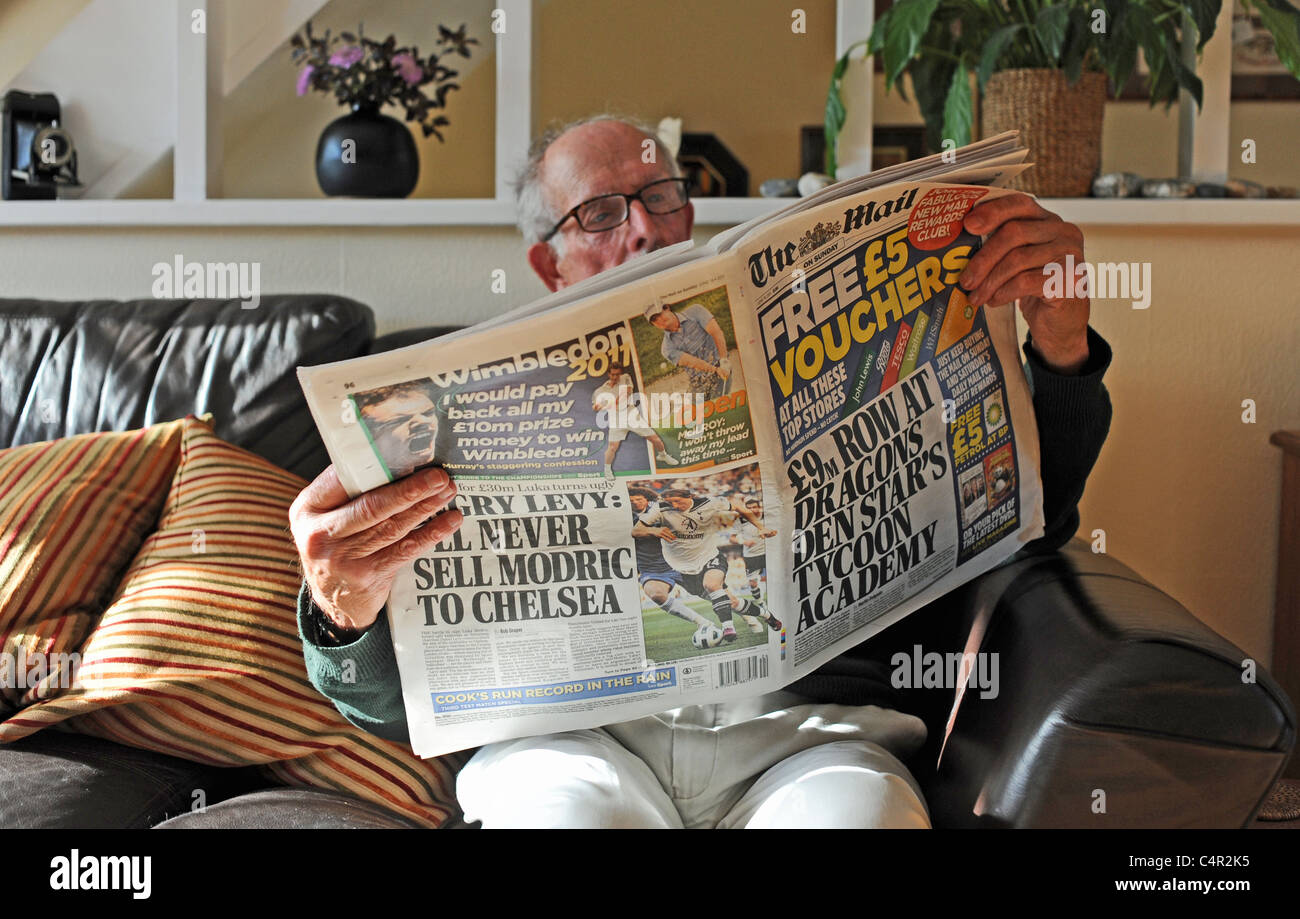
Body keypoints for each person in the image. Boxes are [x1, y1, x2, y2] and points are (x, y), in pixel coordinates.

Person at [290, 115, 1112, 828]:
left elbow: (1034, 524)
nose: (643, 230)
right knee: (571, 818)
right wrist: (340, 613)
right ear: (550, 265)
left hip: (812, 740)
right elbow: (395, 706)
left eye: (660, 197)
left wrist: (1062, 346)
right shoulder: (455, 415)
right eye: (601, 213)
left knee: (860, 818)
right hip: (574, 742)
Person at [592, 361, 676, 476]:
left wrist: (608, 404)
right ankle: (607, 470)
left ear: (620, 373)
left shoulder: (625, 378)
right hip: (616, 419)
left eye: (617, 374)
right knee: (612, 447)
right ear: (608, 374)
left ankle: (663, 455)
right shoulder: (600, 390)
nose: (615, 377)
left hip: (631, 413)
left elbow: (625, 395)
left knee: (655, 438)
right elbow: (596, 406)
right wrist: (598, 406)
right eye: (612, 374)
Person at [644, 301, 732, 402]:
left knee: (718, 407)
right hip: (698, 382)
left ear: (667, 308)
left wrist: (724, 361)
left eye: (659, 314)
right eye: (654, 320)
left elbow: (716, 332)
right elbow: (693, 362)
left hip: (720, 366)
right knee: (694, 414)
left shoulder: (695, 311)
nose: (659, 320)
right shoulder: (666, 348)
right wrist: (715, 370)